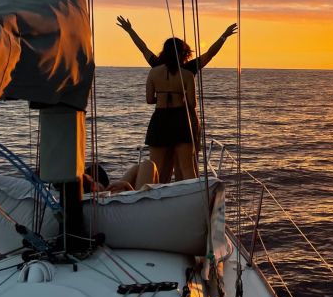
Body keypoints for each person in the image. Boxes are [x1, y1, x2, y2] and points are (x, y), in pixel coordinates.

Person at [117, 17, 237, 181]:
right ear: (183, 52)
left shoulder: (155, 68)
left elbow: (143, 49)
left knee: (156, 169)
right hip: (181, 120)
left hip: (159, 120)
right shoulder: (188, 71)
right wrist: (224, 36)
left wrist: (130, 30)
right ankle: (192, 196)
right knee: (187, 168)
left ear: (164, 52)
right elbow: (210, 54)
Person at [82, 159, 159, 194]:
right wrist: (127, 186)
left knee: (138, 167)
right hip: (138, 207)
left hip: (105, 192)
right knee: (148, 164)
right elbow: (139, 205)